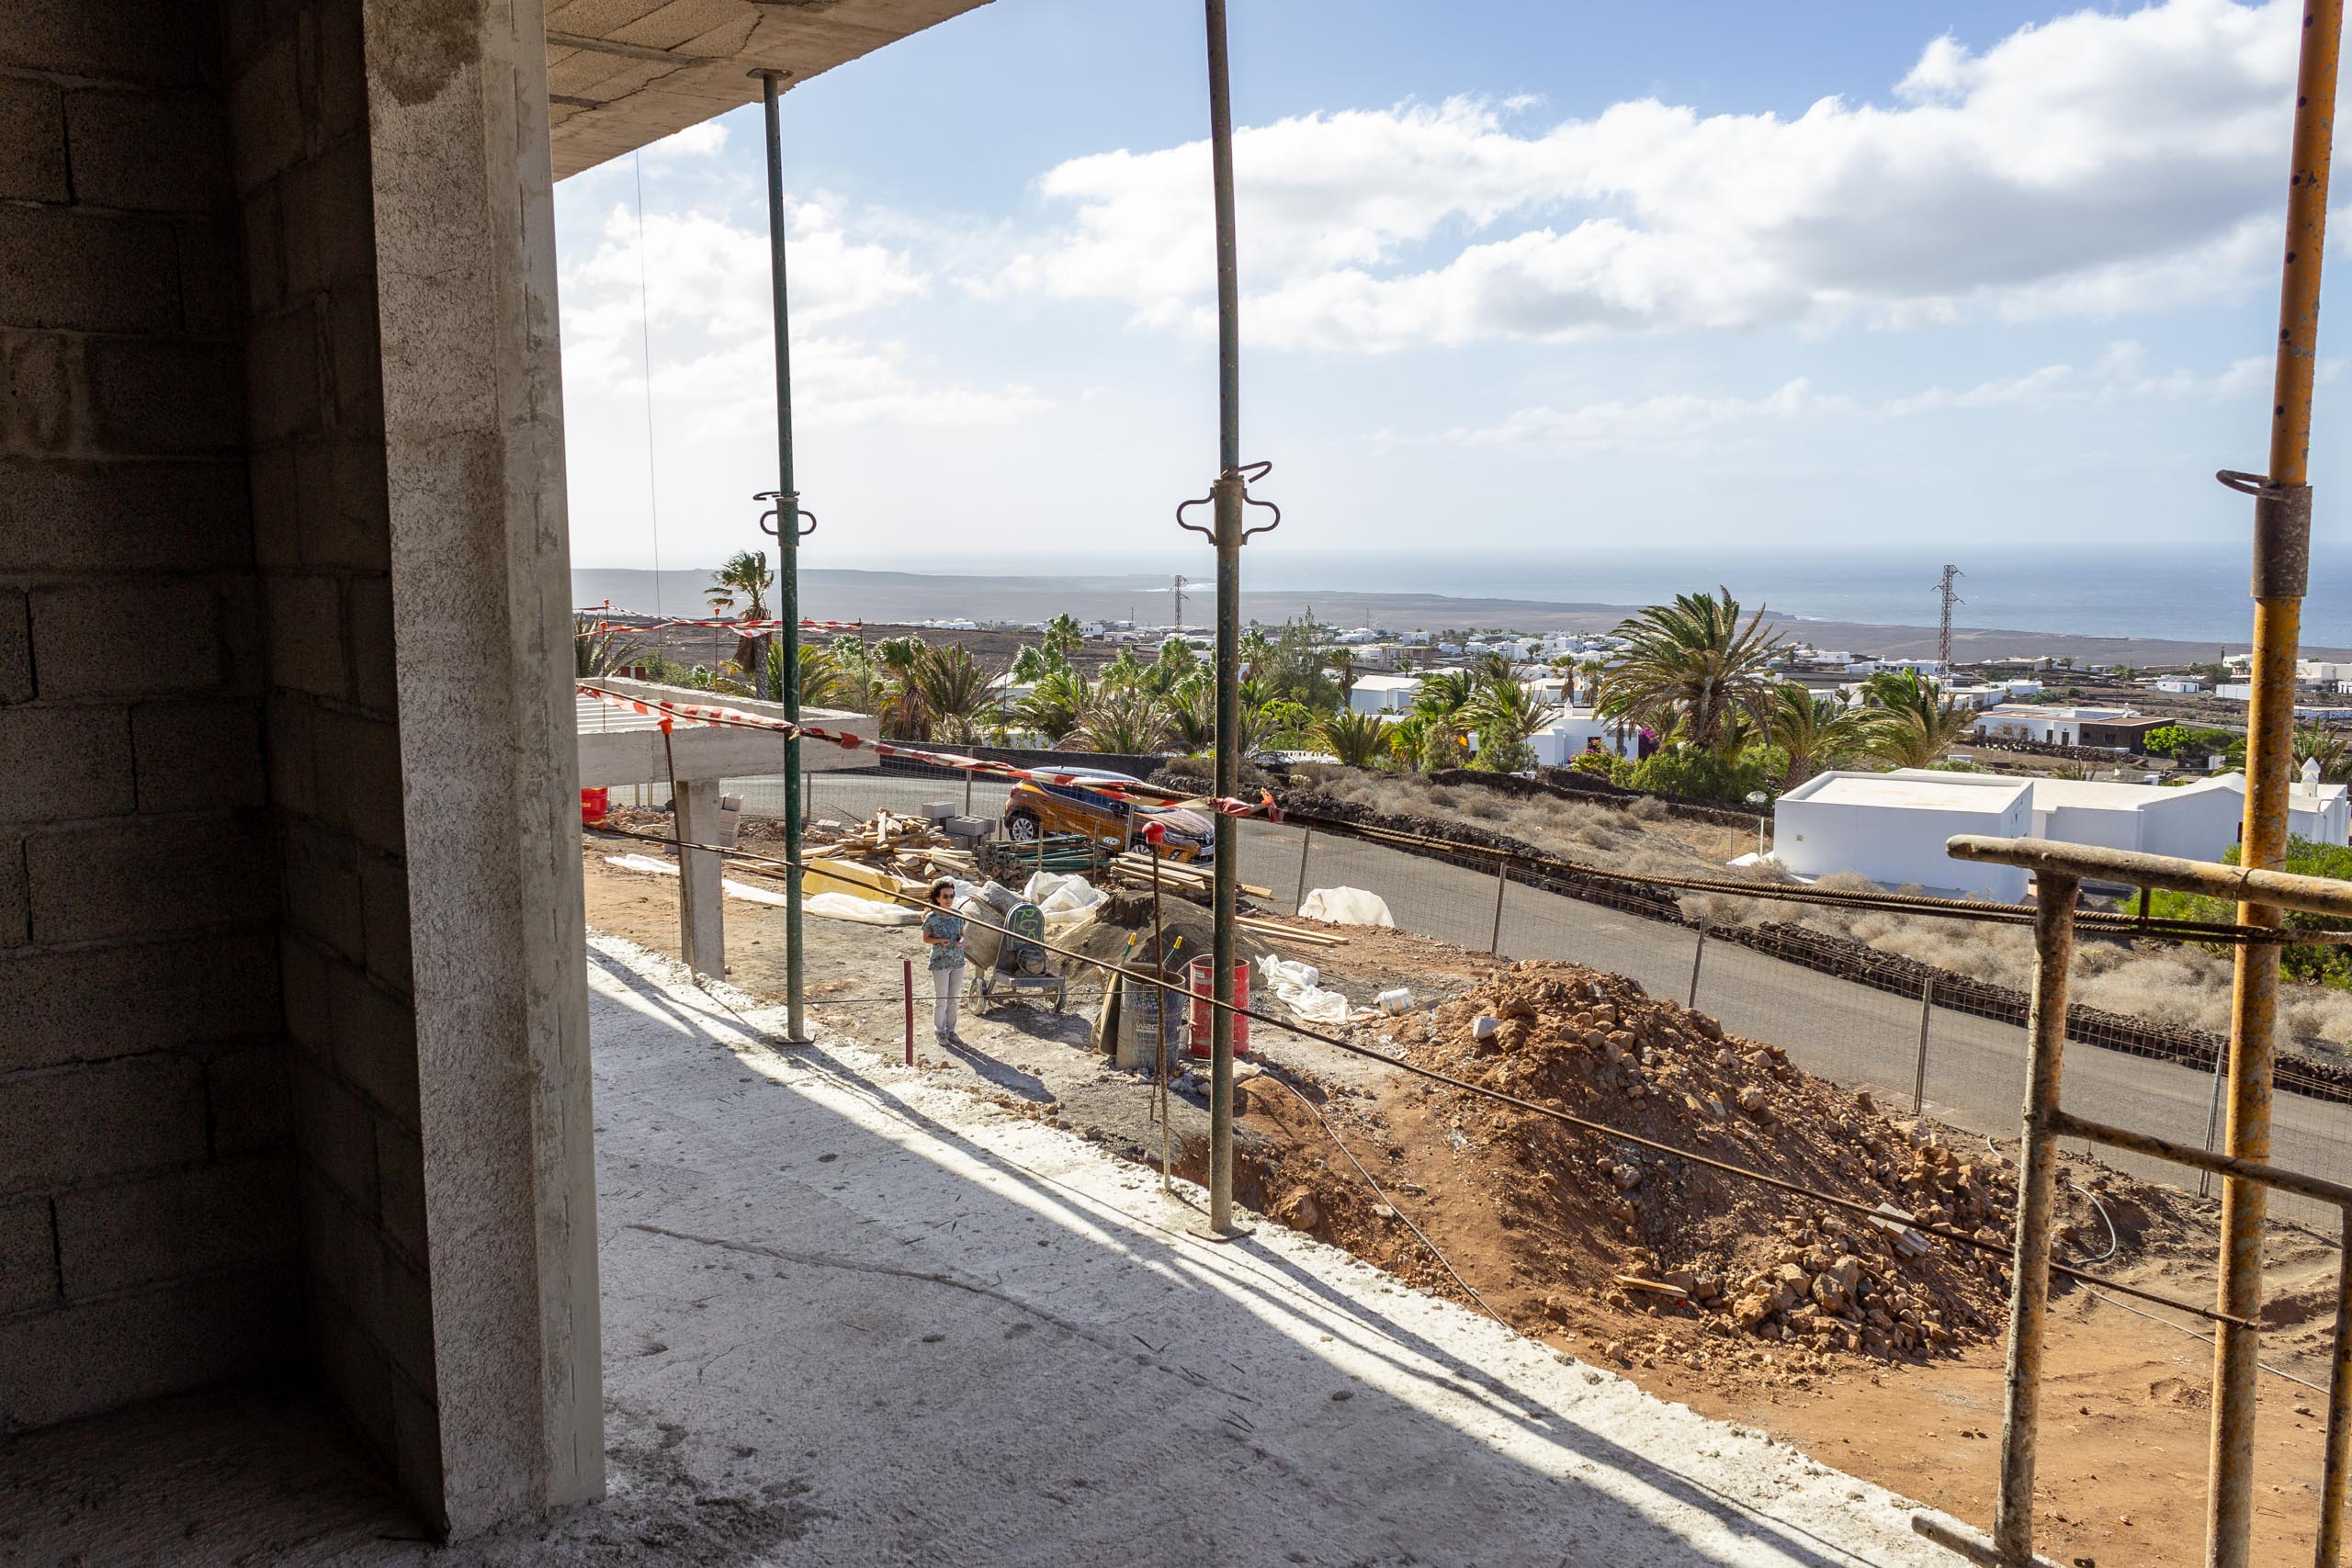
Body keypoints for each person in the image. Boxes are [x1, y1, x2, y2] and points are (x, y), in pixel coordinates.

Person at [921, 879, 967, 1046]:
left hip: (958, 961)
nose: (949, 899)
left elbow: (962, 933)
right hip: (940, 963)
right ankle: (939, 1031)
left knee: (953, 998)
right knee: (941, 999)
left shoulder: (958, 916)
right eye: (945, 896)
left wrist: (961, 940)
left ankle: (951, 1030)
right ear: (937, 898)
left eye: (951, 896)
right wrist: (939, 940)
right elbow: (926, 939)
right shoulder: (931, 918)